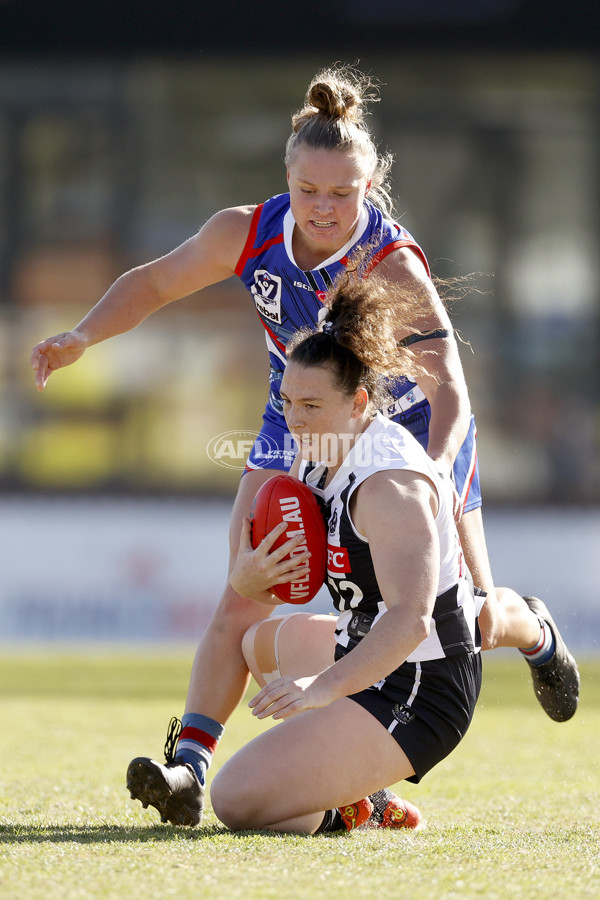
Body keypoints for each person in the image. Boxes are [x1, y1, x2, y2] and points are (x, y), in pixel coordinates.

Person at [30, 65, 579, 828]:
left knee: (468, 622)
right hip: (296, 421)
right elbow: (154, 284)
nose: (325, 208)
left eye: (343, 193)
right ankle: (189, 769)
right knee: (241, 591)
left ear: (370, 187)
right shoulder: (247, 231)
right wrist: (83, 335)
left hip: (410, 435)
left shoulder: (391, 264)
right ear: (287, 177)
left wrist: (428, 477)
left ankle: (536, 629)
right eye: (311, 190)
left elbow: (450, 390)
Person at [210, 270, 483, 833]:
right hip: (362, 648)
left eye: (310, 404)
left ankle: (341, 797)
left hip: (421, 684)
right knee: (258, 643)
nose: (294, 419)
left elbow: (411, 621)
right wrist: (250, 576)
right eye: (287, 402)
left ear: (360, 401)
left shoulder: (389, 485)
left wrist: (325, 687)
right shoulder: (318, 448)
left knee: (235, 801)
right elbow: (292, 577)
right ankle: (365, 801)